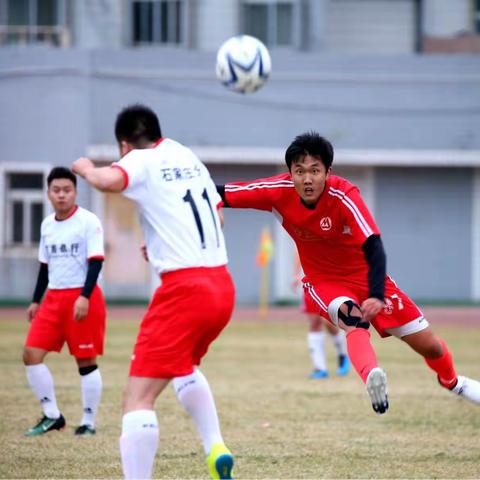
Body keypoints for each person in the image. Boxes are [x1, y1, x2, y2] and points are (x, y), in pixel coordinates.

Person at [217, 131, 480, 415]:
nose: (307, 179)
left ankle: (453, 381)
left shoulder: (344, 195)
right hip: (324, 282)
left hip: (369, 280)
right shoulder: (277, 190)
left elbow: (374, 244)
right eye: (299, 171)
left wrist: (377, 294)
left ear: (328, 172)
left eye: (315, 171)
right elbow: (215, 192)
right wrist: (216, 207)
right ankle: (373, 378)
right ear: (290, 172)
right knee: (352, 319)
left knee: (431, 348)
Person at [72, 104, 235, 480]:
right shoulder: (187, 156)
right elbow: (218, 216)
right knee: (184, 366)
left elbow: (107, 181)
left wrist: (85, 168)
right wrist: (162, 244)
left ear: (126, 146)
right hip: (221, 286)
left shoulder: (140, 160)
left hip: (185, 290)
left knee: (137, 400)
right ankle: (215, 446)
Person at [23, 167, 106, 437]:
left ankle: (88, 422)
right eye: (56, 190)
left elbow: (95, 262)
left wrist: (84, 296)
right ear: (48, 193)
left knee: (85, 360)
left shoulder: (88, 221)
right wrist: (36, 300)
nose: (61, 195)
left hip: (82, 296)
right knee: (31, 354)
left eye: (67, 190)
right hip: (53, 299)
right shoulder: (47, 225)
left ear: (75, 192)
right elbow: (45, 267)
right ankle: (52, 416)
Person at [293, 254, 350, 379]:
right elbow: (298, 251)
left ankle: (342, 354)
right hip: (310, 281)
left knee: (329, 322)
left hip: (329, 280)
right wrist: (296, 273)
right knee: (314, 323)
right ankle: (320, 368)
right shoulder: (305, 235)